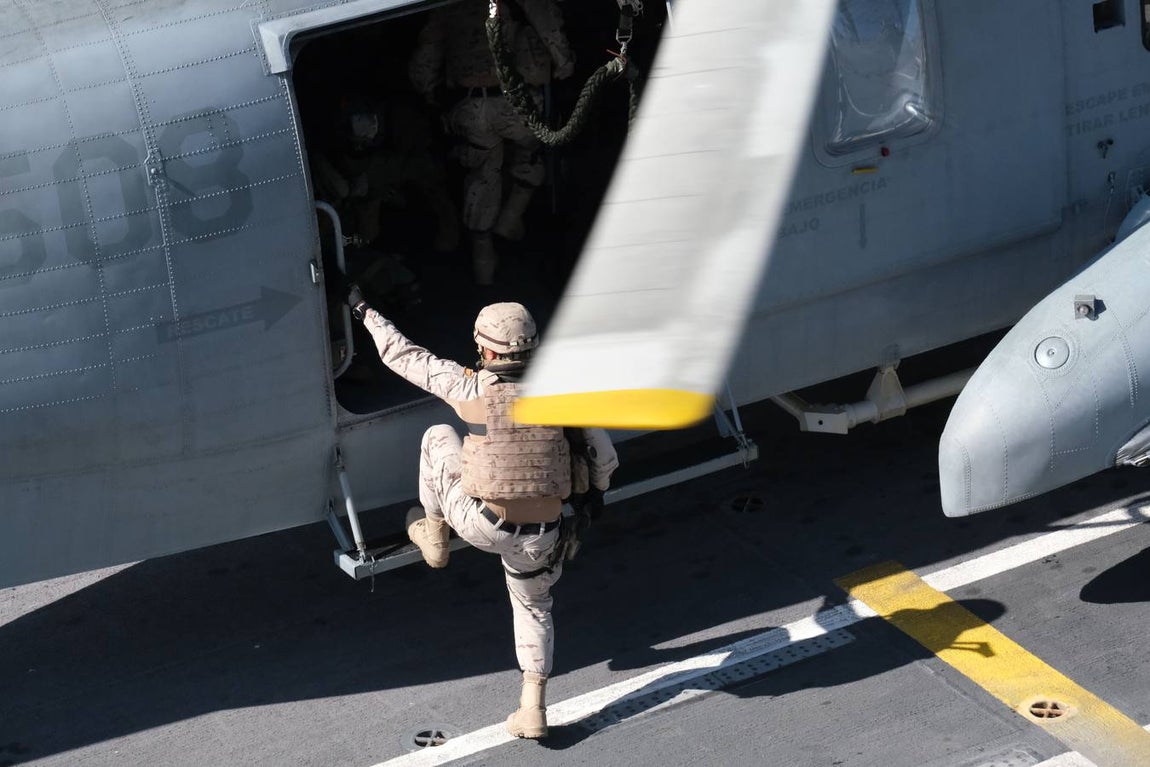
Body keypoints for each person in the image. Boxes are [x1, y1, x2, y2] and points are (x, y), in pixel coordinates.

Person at [348, 287, 618, 739]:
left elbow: (403, 355)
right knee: (534, 607)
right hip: (542, 536)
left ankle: (433, 531)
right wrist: (595, 495)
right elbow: (605, 462)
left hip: (481, 524)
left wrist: (362, 309)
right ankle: (533, 708)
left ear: (486, 349)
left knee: (437, 436)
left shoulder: (468, 387)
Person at [408, 0, 575, 285]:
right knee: (535, 148)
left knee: (483, 174)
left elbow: (425, 60)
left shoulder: (445, 7)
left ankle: (483, 261)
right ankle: (511, 215)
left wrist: (429, 93)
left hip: (469, 108)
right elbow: (545, 20)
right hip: (516, 103)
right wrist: (564, 60)